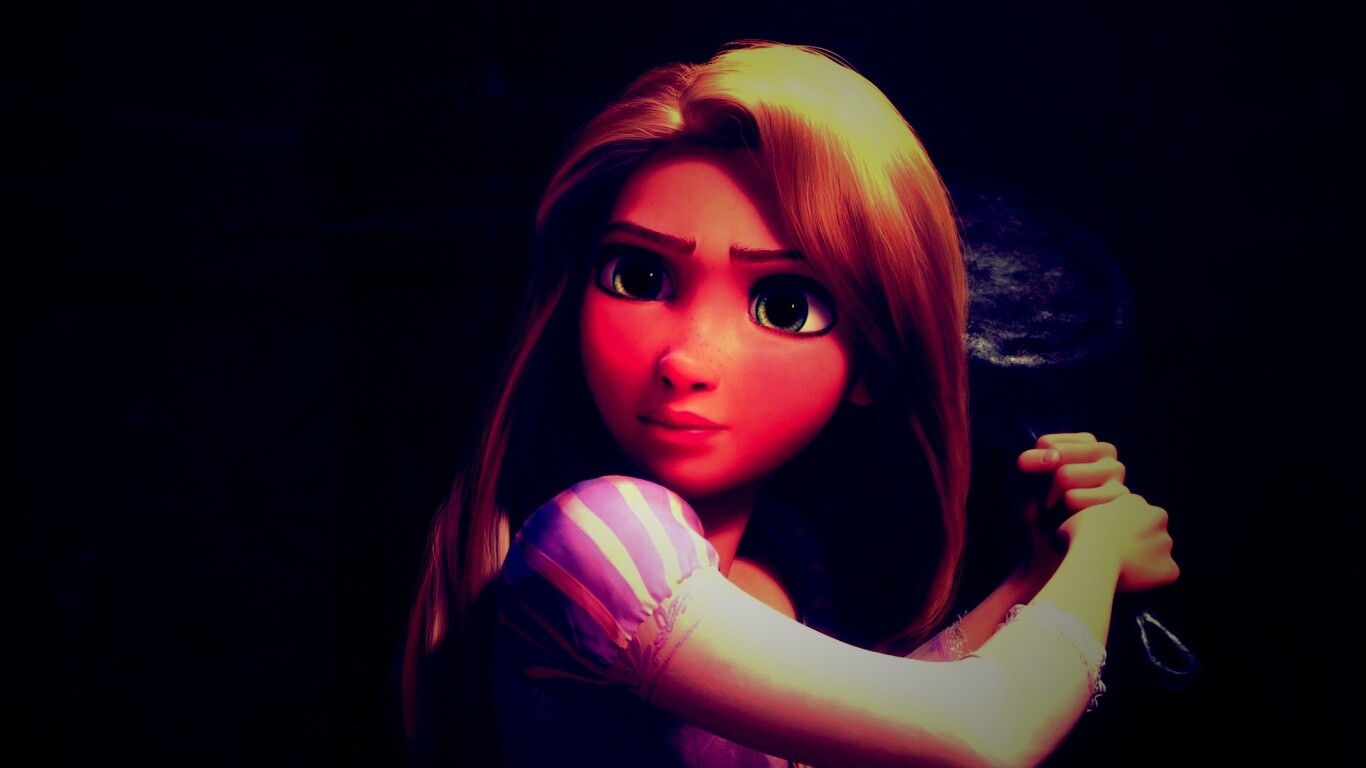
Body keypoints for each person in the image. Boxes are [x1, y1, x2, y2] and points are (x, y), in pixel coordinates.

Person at [401, 40, 1178, 768]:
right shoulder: (600, 543)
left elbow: (884, 736)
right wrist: (1097, 556)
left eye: (784, 305)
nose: (686, 361)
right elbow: (987, 735)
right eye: (639, 277)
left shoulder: (773, 556)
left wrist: (1041, 573)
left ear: (872, 361)